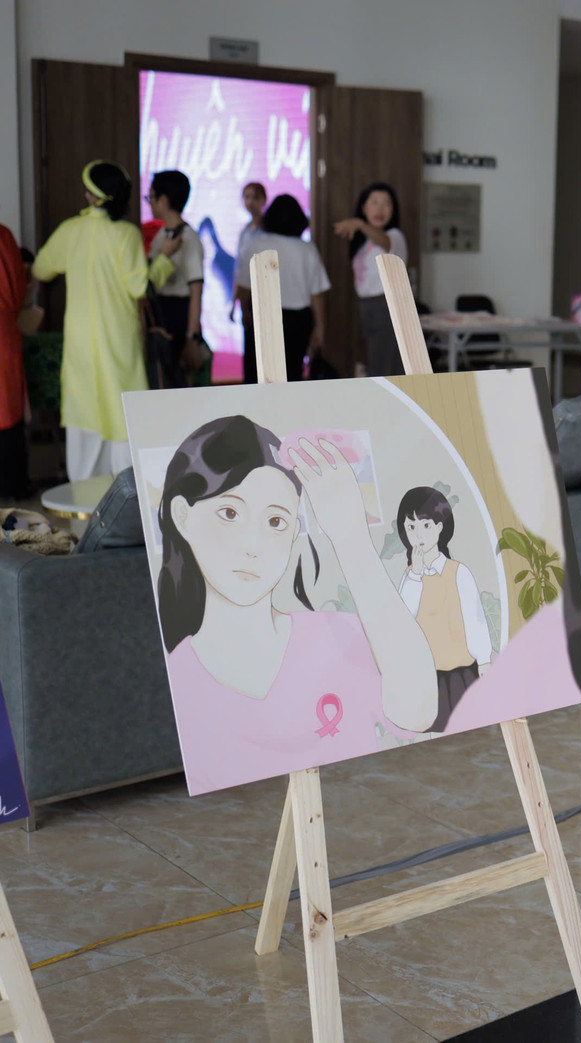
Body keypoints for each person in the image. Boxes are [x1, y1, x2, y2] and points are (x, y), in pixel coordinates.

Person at [156, 415, 438, 792]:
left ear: (294, 533)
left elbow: (418, 712)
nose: (253, 546)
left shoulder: (337, 636)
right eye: (229, 513)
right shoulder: (178, 680)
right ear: (183, 516)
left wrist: (350, 536)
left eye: (276, 521)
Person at [32, 160, 172, 480]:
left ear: (92, 196)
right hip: (118, 341)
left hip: (80, 343)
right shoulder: (126, 234)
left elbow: (41, 268)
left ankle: (82, 504)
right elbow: (140, 287)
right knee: (123, 416)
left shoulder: (71, 230)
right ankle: (125, 503)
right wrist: (164, 260)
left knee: (83, 418)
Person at [395, 486, 493, 732]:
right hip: (424, 680)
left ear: (440, 527)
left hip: (459, 675)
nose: (419, 534)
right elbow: (404, 621)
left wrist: (484, 661)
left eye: (426, 525)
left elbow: (475, 619)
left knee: (468, 730)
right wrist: (416, 574)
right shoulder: (410, 577)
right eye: (411, 527)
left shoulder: (458, 572)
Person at [242, 195, 329, 381]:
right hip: (298, 320)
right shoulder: (307, 249)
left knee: (256, 375)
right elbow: (316, 293)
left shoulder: (256, 246)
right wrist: (319, 327)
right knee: (292, 374)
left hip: (262, 315)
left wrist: (244, 311)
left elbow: (244, 287)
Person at [334, 183, 407, 376]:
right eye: (374, 202)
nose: (380, 209)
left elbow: (385, 242)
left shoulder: (395, 236)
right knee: (376, 361)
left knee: (384, 366)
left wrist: (359, 224)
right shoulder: (363, 241)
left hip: (386, 305)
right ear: (364, 208)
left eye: (386, 203)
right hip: (367, 306)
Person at [145, 170, 205, 389]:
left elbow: (196, 292)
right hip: (161, 315)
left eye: (151, 197)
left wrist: (192, 337)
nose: (149, 202)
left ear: (163, 200)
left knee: (179, 386)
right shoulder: (161, 235)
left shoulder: (189, 238)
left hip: (180, 317)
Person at [0, 224, 27, 499]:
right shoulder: (2, 235)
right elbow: (16, 289)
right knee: (6, 408)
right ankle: (11, 486)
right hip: (2, 330)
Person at [232, 182, 266, 383]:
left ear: (263, 200)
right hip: (247, 294)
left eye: (254, 197)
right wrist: (234, 300)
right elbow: (239, 268)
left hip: (264, 290)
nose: (250, 202)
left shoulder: (268, 230)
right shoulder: (245, 231)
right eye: (246, 197)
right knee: (250, 343)